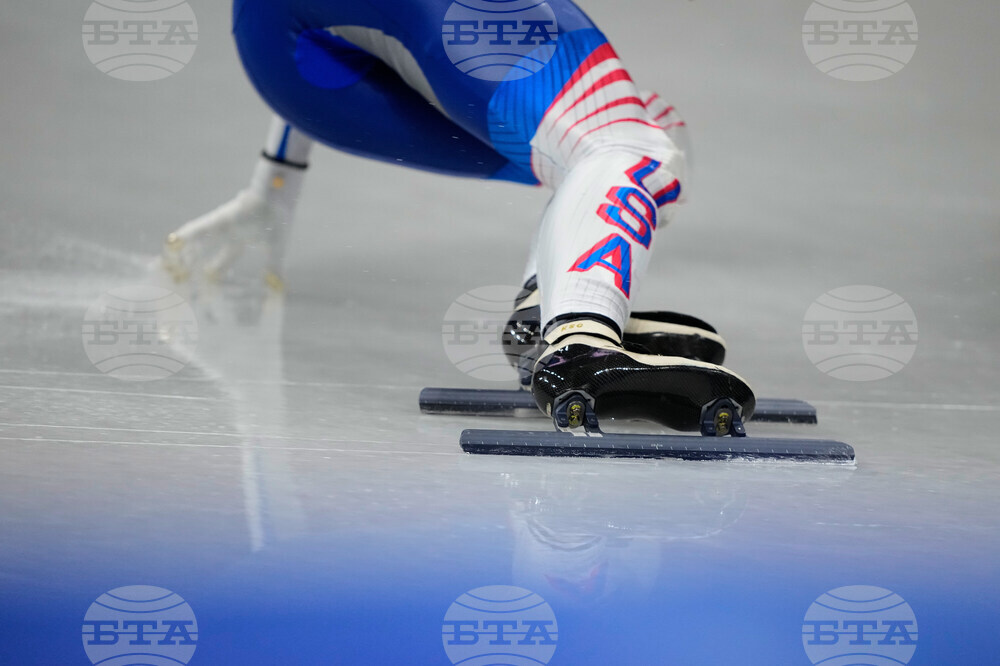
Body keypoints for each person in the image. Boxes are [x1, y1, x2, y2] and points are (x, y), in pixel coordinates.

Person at [162, 0, 755, 431]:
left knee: (634, 134)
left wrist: (275, 185)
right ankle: (579, 342)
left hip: (295, 56)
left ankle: (547, 310)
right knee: (633, 145)